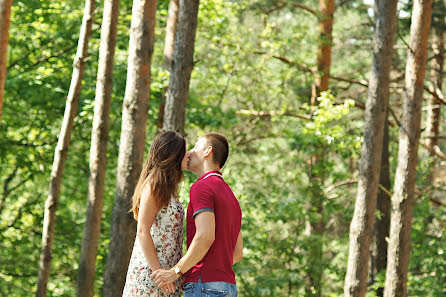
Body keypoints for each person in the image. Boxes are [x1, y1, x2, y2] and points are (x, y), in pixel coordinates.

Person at [151, 133, 243, 297]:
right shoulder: (231, 197)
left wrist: (176, 272)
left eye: (195, 147)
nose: (190, 152)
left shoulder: (202, 187)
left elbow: (205, 236)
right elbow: (237, 253)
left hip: (204, 286)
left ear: (208, 151)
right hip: (228, 287)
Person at [122, 131, 189, 296]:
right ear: (174, 155)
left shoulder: (169, 188)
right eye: (184, 151)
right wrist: (158, 273)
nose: (188, 155)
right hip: (152, 273)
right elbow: (143, 231)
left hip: (167, 275)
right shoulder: (155, 185)